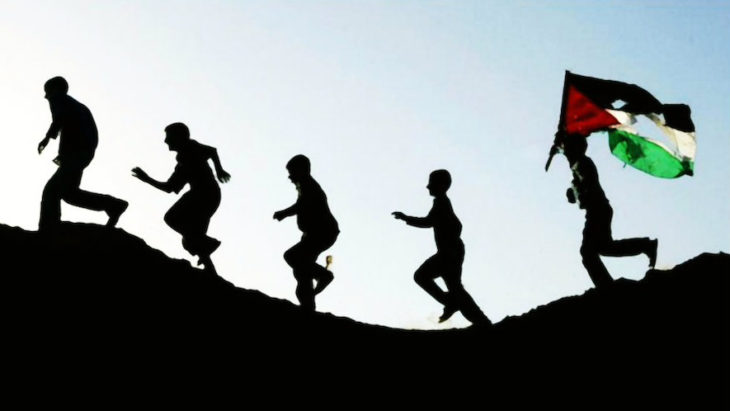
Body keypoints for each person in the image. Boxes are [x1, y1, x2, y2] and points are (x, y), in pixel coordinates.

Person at [392, 170, 491, 325]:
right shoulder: (442, 202)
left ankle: (456, 306)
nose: (427, 186)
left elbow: (429, 222)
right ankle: (480, 321)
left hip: (449, 253)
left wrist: (406, 218)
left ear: (441, 185)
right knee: (455, 289)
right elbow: (453, 224)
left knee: (422, 276)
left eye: (431, 183)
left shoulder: (442, 203)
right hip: (451, 251)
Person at [132, 123, 230, 274]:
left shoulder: (191, 148)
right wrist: (147, 179)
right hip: (205, 195)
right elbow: (170, 187)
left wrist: (219, 170)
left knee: (173, 219)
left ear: (178, 137)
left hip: (204, 195)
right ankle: (210, 268)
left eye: (168, 137)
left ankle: (207, 244)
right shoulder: (182, 161)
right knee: (192, 238)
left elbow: (212, 151)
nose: (166, 141)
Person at [562, 134, 657, 287]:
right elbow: (582, 185)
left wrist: (576, 193)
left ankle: (606, 287)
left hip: (597, 210)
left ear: (575, 149)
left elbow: (588, 186)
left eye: (568, 150)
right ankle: (646, 245)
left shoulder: (582, 163)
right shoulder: (579, 165)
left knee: (588, 252)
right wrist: (574, 191)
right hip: (598, 210)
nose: (566, 153)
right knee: (605, 248)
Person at [37, 76, 128, 230]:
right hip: (83, 152)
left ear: (55, 89)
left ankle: (49, 227)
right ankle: (112, 205)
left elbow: (59, 118)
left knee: (52, 191)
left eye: (47, 92)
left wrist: (47, 138)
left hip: (76, 153)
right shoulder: (78, 106)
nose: (46, 96)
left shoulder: (58, 98)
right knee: (68, 193)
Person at [273, 155, 339, 312]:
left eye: (291, 173)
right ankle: (308, 304)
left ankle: (323, 275)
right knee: (301, 269)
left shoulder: (309, 186)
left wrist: (284, 213)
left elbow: (301, 205)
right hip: (315, 234)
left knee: (292, 256)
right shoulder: (305, 186)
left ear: (302, 170)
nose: (289, 177)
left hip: (322, 232)